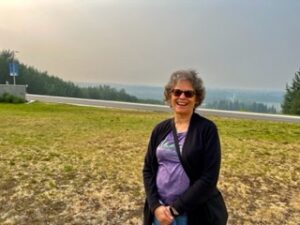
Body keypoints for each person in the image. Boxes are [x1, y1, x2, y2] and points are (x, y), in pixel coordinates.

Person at [142, 70, 228, 225]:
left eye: (188, 94)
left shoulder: (207, 130)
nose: (182, 97)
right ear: (170, 96)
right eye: (177, 92)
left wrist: (174, 209)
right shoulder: (160, 129)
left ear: (197, 99)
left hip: (189, 214)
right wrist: (155, 206)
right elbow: (148, 169)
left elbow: (209, 178)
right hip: (159, 212)